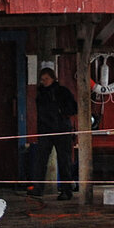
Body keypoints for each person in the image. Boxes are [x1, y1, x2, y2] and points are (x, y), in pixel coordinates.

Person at [29, 67, 79, 199]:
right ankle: (38, 188)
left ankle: (66, 191)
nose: (44, 81)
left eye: (46, 79)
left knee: (64, 161)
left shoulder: (62, 92)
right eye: (42, 79)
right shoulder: (41, 94)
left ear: (53, 78)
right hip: (45, 130)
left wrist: (61, 113)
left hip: (61, 130)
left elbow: (73, 108)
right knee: (40, 160)